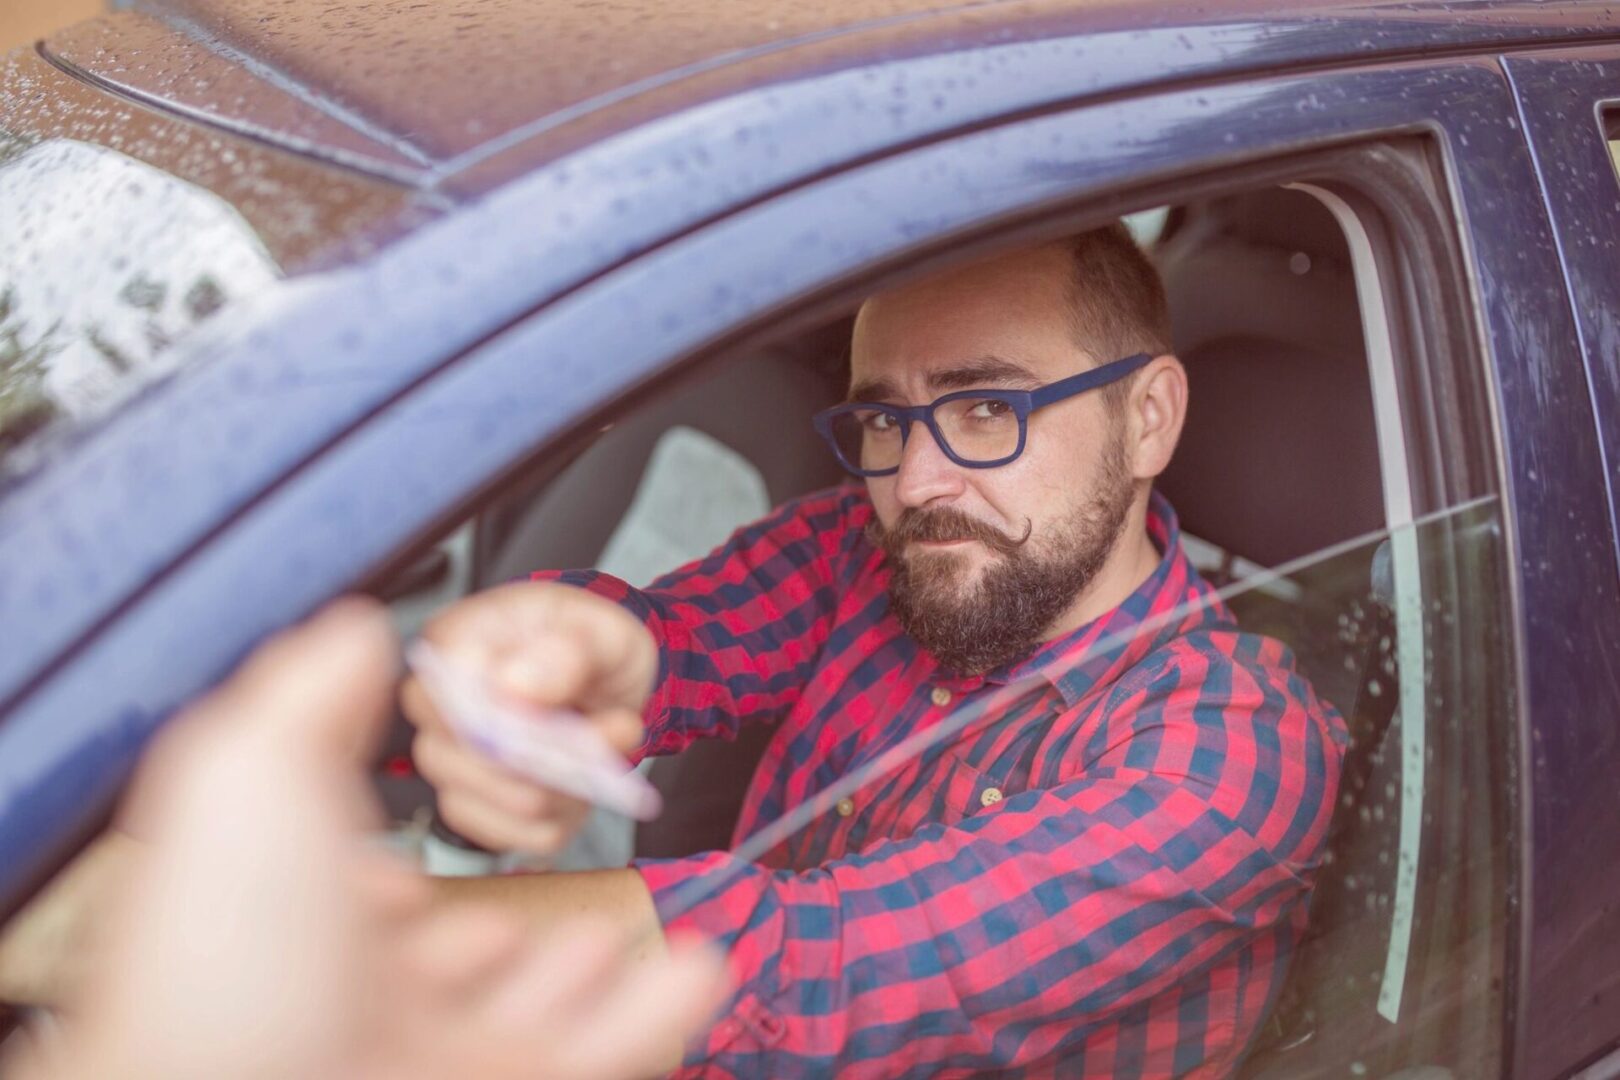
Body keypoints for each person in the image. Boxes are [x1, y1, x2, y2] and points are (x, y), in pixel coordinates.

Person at [404, 225, 1349, 1076]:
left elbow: (821, 965)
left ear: (1147, 419)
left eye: (986, 409)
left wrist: (364, 955)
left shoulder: (1233, 750)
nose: (918, 481)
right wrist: (556, 657)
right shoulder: (863, 550)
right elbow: (673, 641)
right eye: (888, 421)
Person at [0, 600, 724, 1080]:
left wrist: (109, 924)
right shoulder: (823, 541)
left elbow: (816, 952)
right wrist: (554, 648)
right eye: (846, 414)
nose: (848, 451)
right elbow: (693, 626)